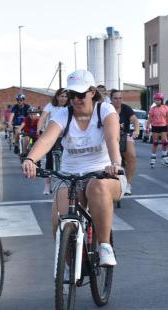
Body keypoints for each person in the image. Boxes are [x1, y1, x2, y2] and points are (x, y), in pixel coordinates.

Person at [22, 70, 126, 267]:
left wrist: (115, 164)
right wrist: (30, 159)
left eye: (81, 94)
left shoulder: (105, 110)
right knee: (60, 224)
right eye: (72, 95)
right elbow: (46, 139)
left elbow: (113, 139)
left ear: (92, 92)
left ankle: (104, 246)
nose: (76, 99)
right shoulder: (63, 115)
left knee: (97, 187)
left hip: (103, 172)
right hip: (70, 175)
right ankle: (69, 267)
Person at [37, 88, 69, 195]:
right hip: (51, 135)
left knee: (67, 158)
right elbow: (42, 118)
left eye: (65, 96)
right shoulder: (50, 106)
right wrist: (39, 129)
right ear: (57, 97)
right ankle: (47, 185)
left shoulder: (69, 107)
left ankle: (68, 182)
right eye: (62, 96)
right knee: (49, 159)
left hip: (65, 136)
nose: (64, 98)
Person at [110, 89, 139, 195]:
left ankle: (128, 185)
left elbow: (135, 120)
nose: (118, 100)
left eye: (120, 98)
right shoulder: (107, 108)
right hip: (109, 136)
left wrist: (136, 130)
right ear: (111, 99)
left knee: (132, 156)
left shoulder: (126, 108)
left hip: (124, 135)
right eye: (115, 98)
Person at [146, 92, 168, 168]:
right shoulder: (152, 109)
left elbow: (167, 119)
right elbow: (149, 119)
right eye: (156, 100)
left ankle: (164, 157)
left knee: (165, 142)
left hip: (163, 126)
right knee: (155, 142)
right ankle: (153, 158)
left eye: (159, 100)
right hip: (155, 126)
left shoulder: (165, 108)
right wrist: (147, 127)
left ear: (162, 100)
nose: (157, 101)